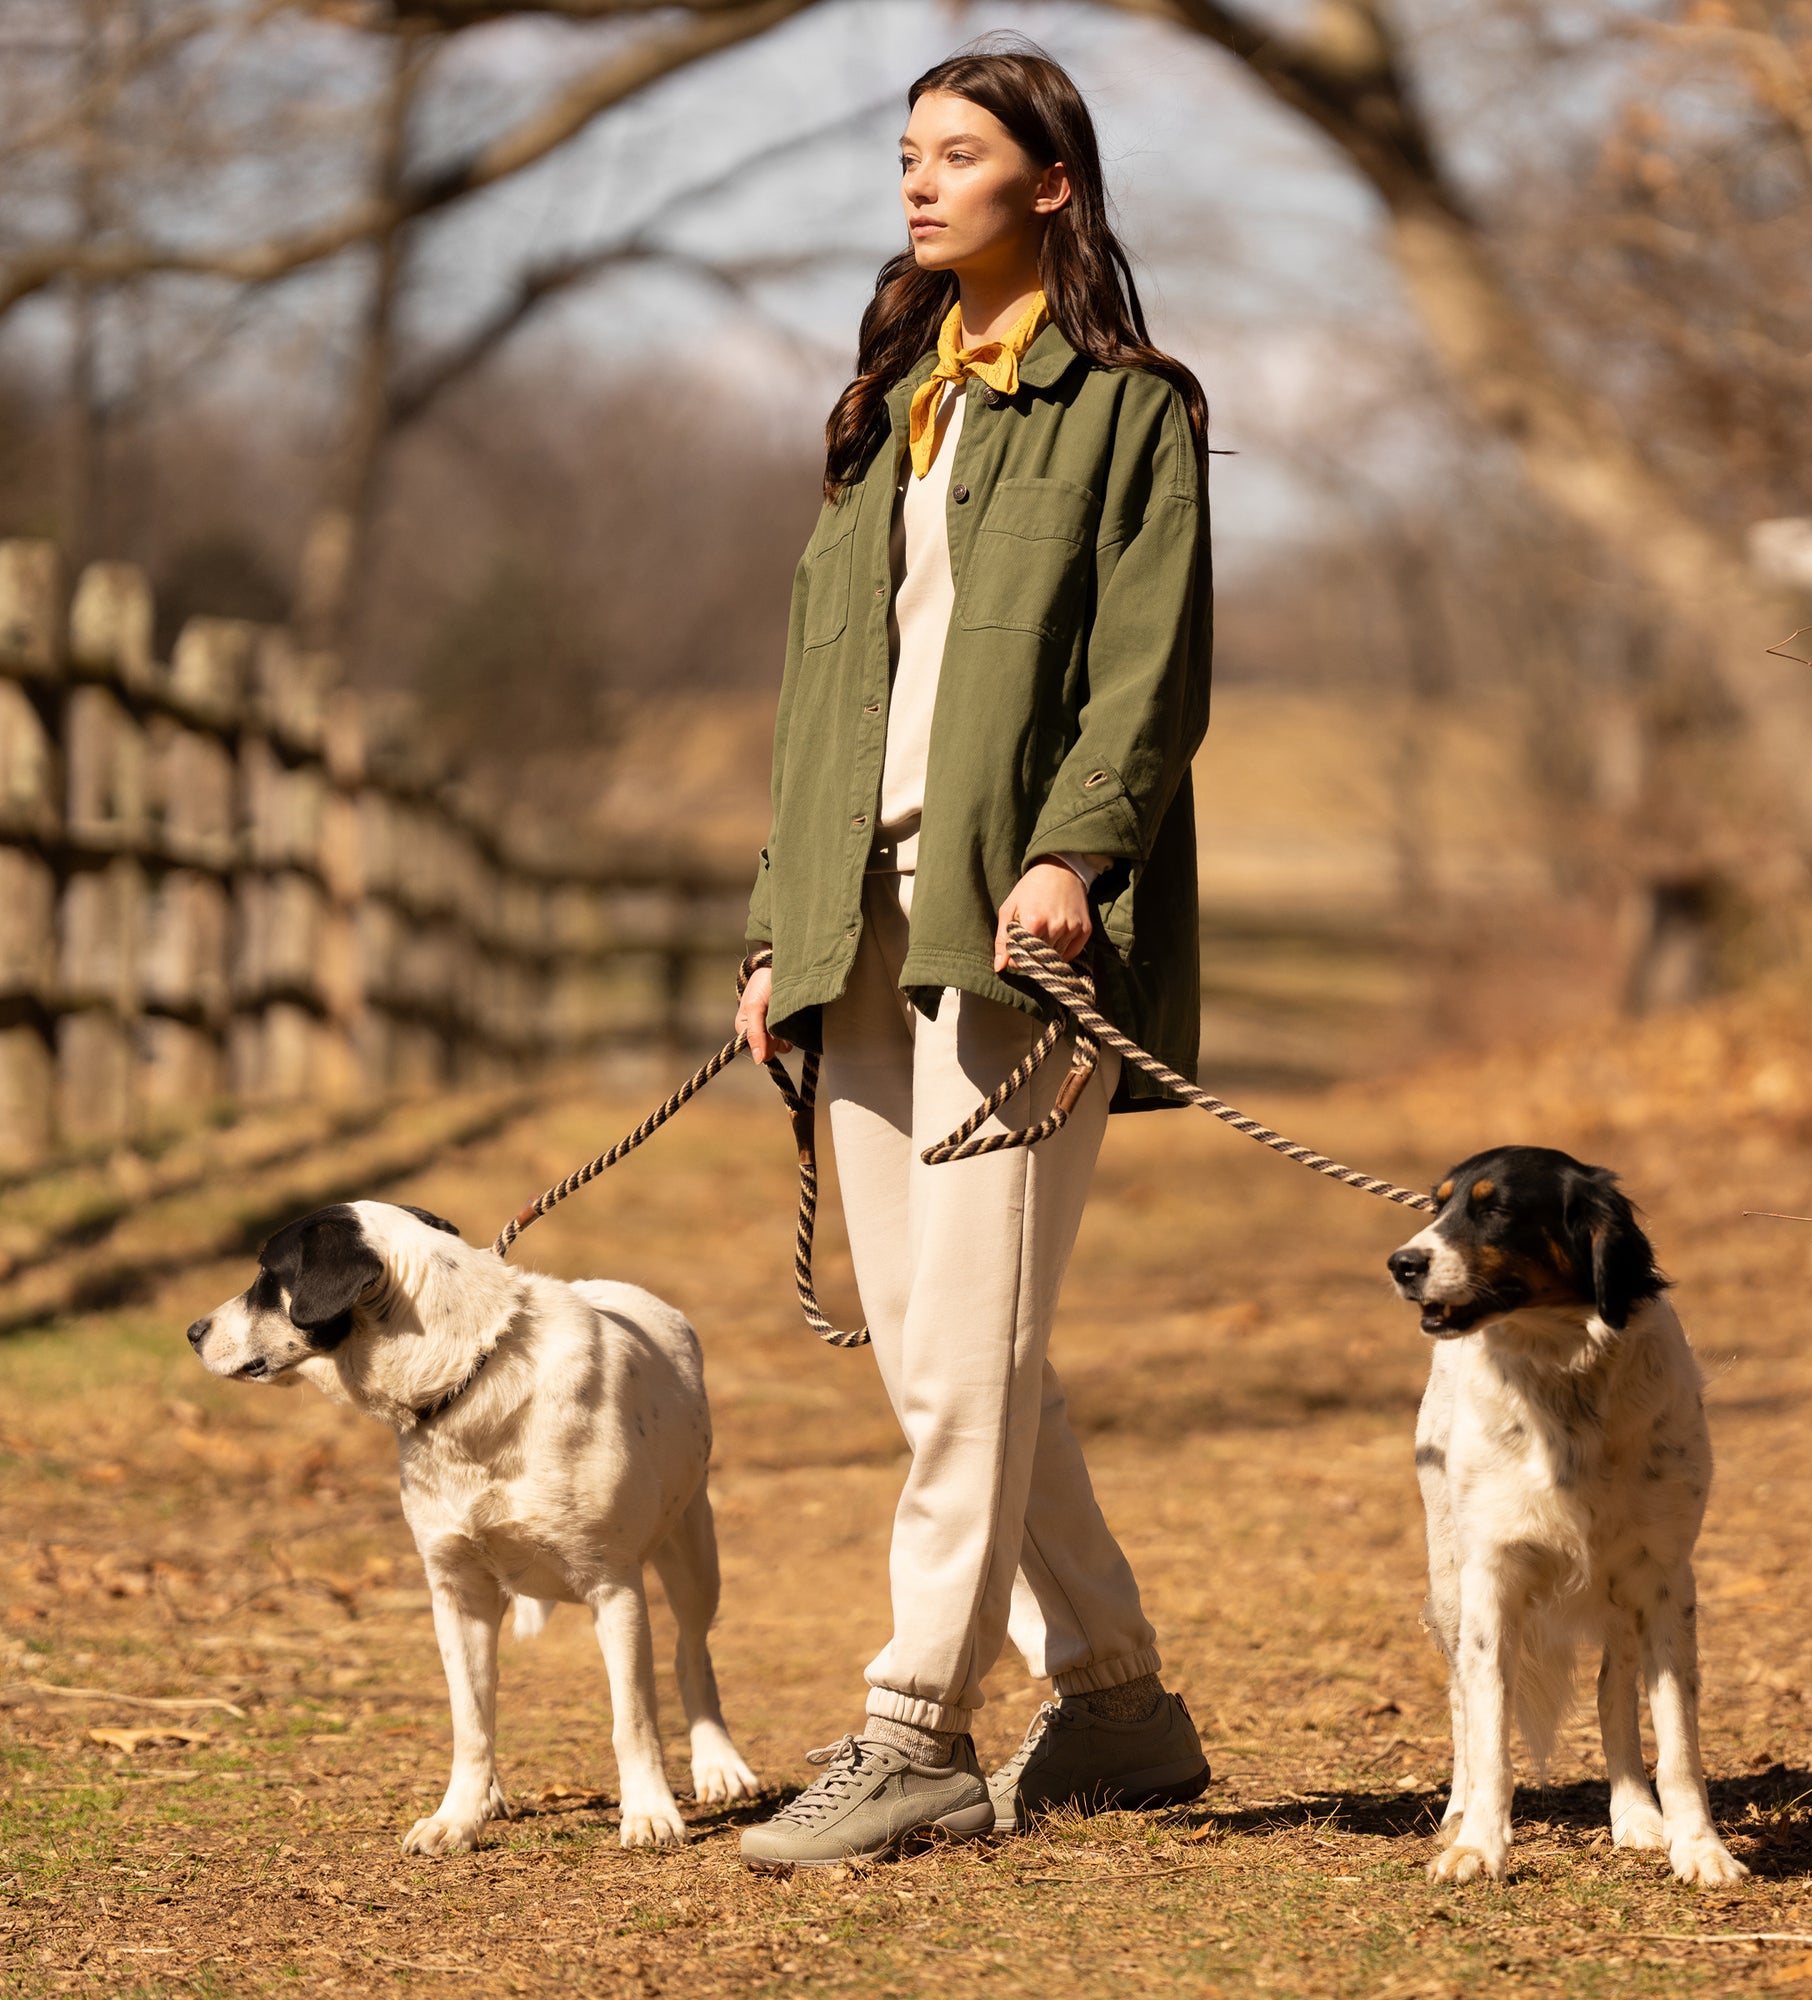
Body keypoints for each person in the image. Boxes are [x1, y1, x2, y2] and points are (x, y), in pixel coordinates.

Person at [734, 37, 1213, 1869]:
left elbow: (1149, 677)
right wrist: (780, 925)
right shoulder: (893, 408)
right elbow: (818, 701)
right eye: (907, 155)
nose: (920, 183)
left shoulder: (1127, 409)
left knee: (965, 1360)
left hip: (1020, 937)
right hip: (856, 933)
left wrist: (1079, 853)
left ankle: (914, 1728)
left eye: (960, 156)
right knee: (944, 1355)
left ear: (1053, 188)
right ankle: (1116, 1704)